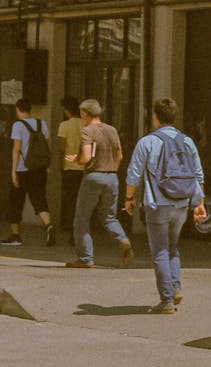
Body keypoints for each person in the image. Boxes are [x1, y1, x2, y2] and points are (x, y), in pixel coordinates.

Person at [124, 97, 206, 313]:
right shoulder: (187, 141)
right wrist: (199, 203)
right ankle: (176, 287)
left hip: (157, 204)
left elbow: (133, 174)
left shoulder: (147, 142)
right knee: (172, 247)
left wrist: (129, 198)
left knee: (159, 250)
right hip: (181, 204)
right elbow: (198, 174)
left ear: (155, 117)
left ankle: (166, 300)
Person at [66, 98, 133, 269]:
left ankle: (85, 258)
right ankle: (123, 239)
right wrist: (112, 169)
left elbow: (87, 157)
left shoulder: (87, 131)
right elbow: (120, 156)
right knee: (109, 216)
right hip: (112, 178)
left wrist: (78, 160)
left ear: (84, 114)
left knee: (81, 218)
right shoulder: (112, 130)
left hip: (93, 177)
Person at [2, 97, 55, 248]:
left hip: (22, 169)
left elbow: (16, 149)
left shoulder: (18, 125)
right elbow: (44, 145)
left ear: (18, 110)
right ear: (30, 109)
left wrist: (13, 171)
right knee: (39, 199)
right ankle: (49, 225)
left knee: (16, 201)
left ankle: (15, 235)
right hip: (39, 169)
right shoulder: (41, 123)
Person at [57, 96, 84, 235]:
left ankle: (71, 227)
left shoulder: (64, 125)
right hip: (85, 168)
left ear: (67, 110)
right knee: (82, 200)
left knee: (70, 199)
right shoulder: (86, 124)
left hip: (69, 167)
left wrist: (68, 157)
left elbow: (62, 148)